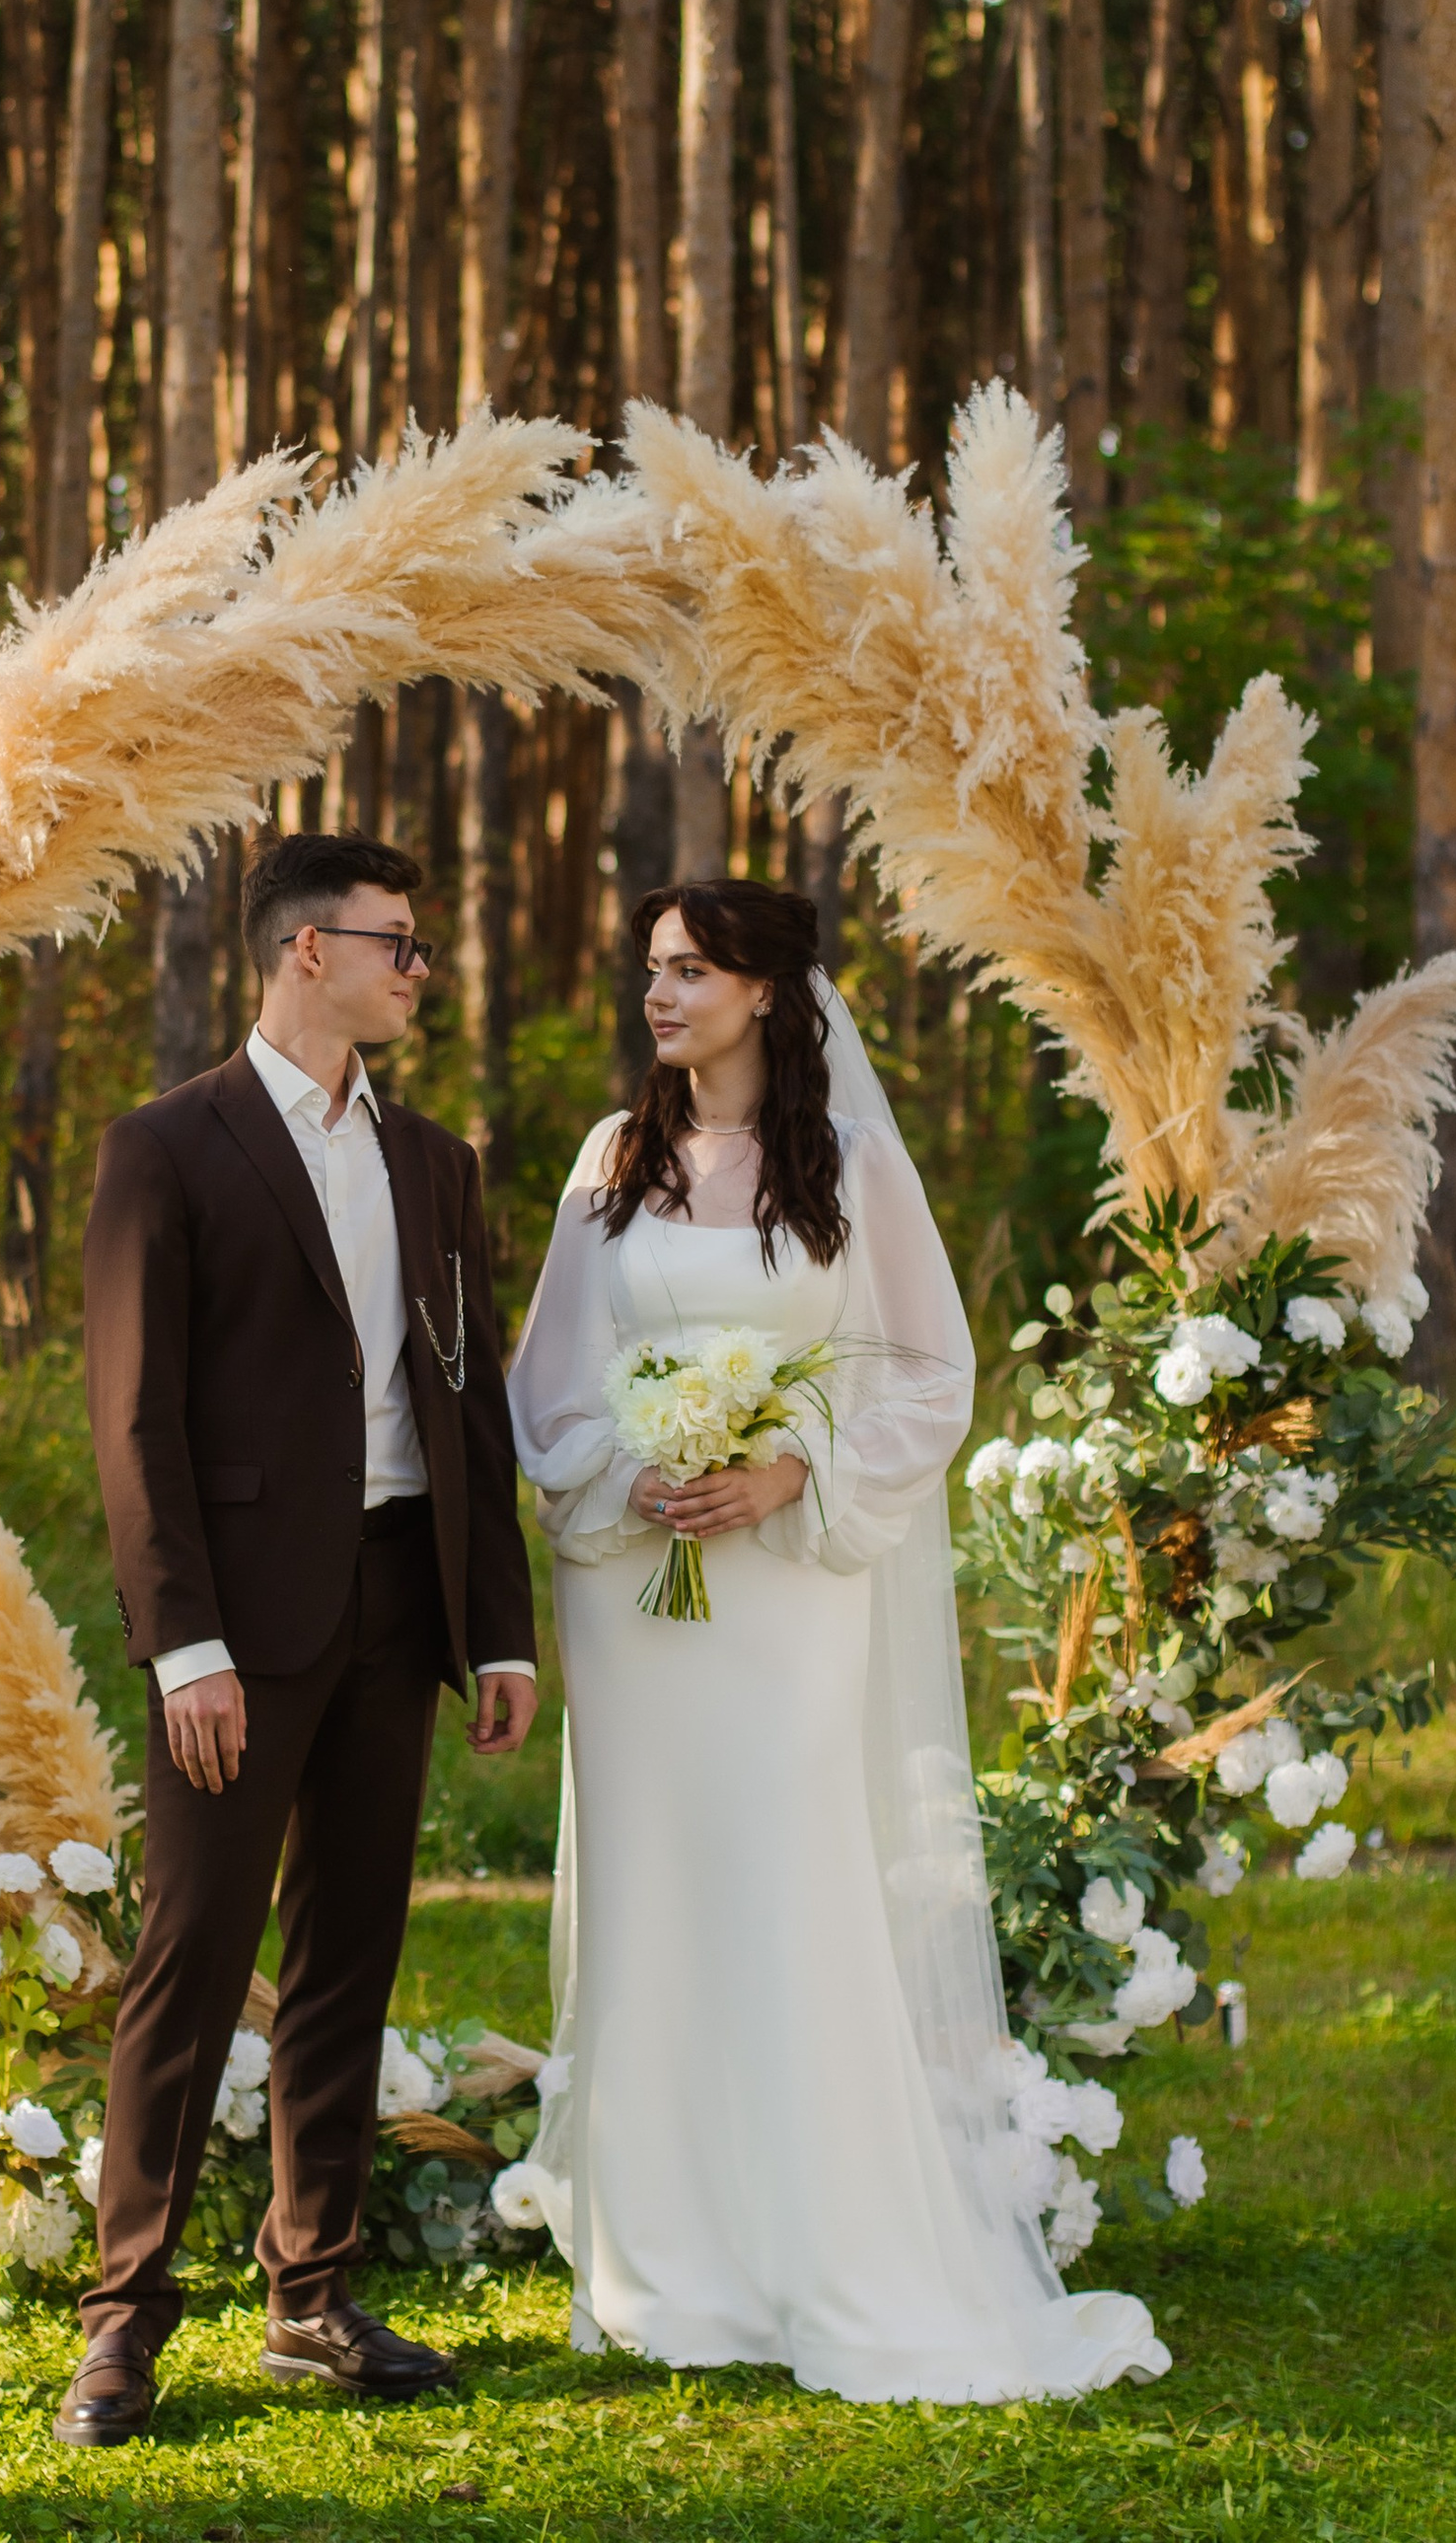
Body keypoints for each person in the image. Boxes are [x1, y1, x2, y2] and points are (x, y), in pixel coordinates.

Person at [507, 877, 1167, 2404]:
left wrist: (791, 1457)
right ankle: (665, 2270)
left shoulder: (854, 1168)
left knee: (787, 1881)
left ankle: (826, 2251)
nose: (657, 996)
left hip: (792, 1584)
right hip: (641, 1581)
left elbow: (929, 1374)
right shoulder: (614, 1159)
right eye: (652, 970)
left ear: (762, 992)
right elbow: (550, 1374)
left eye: (687, 972)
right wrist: (630, 1464)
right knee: (652, 1887)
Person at [60, 831, 541, 2445]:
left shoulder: (435, 1165)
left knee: (351, 1958)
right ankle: (121, 2322)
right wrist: (181, 1645)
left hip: (398, 1606)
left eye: (419, 944)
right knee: (189, 1967)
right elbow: (136, 1420)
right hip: (241, 1635)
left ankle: (311, 2295)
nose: (418, 970)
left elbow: (463, 1399)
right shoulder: (167, 1148)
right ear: (301, 955)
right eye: (394, 944)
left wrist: (498, 1628)